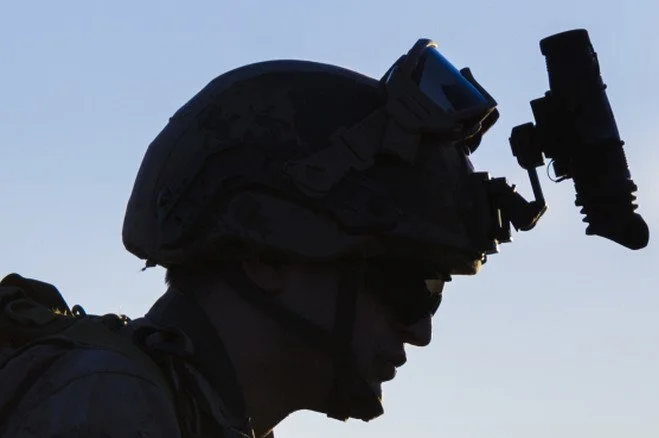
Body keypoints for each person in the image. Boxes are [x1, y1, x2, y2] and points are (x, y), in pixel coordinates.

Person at [0, 38, 534, 437]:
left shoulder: (183, 410)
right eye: (404, 286)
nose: (420, 332)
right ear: (266, 251)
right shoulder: (111, 404)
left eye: (432, 294)